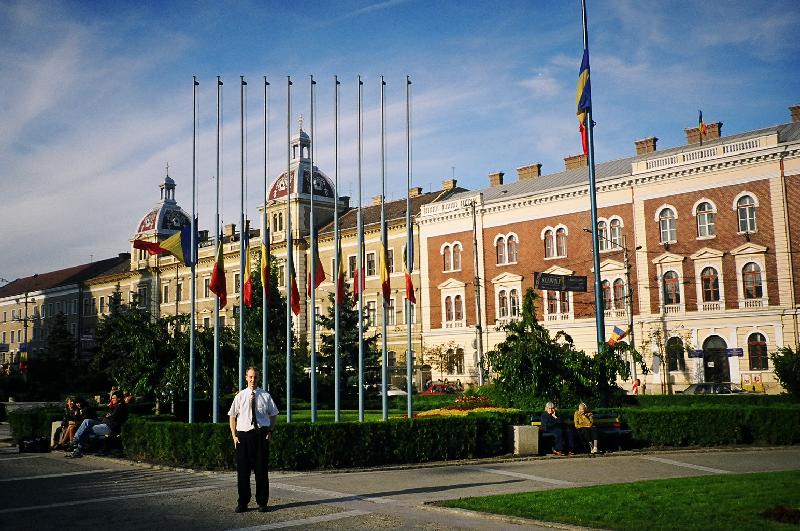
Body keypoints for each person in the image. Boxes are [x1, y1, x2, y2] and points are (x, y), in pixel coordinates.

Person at [229, 367, 279, 513]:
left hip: (261, 436)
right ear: (246, 378)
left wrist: (270, 430)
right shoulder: (240, 396)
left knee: (261, 471)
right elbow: (232, 416)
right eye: (250, 377)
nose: (253, 380)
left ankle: (262, 502)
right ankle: (243, 502)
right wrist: (234, 435)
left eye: (255, 377)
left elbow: (274, 414)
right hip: (243, 437)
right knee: (243, 472)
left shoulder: (265, 396)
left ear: (259, 378)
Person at [66, 390, 128, 458]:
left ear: (119, 398)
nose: (112, 400)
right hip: (104, 423)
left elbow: (112, 417)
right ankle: (75, 442)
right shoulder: (115, 406)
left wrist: (108, 416)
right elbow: (107, 415)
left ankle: (76, 447)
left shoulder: (121, 407)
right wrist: (107, 415)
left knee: (86, 430)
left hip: (109, 427)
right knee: (87, 421)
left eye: (113, 398)